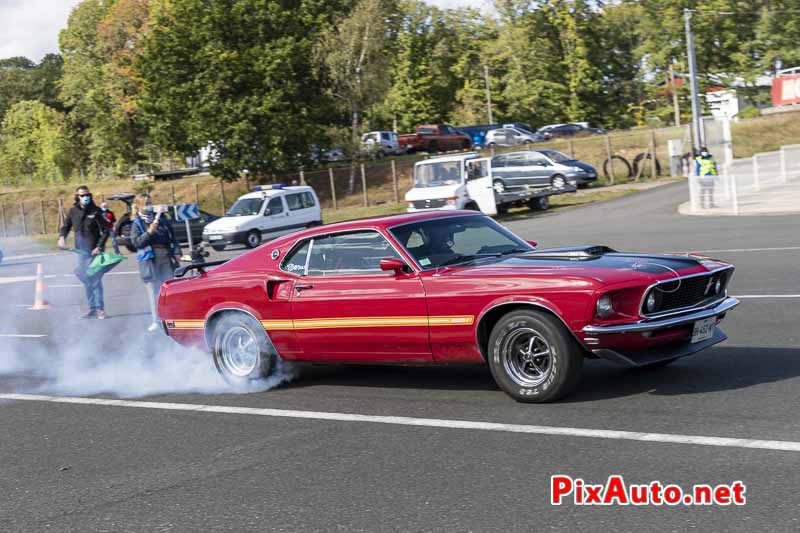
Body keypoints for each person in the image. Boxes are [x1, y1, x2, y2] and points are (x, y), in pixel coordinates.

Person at [130, 198, 182, 332]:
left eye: (150, 203)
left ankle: (172, 318)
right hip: (150, 260)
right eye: (146, 204)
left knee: (169, 289)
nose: (149, 206)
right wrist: (149, 232)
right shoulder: (137, 223)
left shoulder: (162, 219)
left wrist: (177, 251)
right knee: (154, 291)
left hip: (165, 256)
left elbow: (173, 237)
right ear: (139, 205)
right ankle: (156, 320)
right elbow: (136, 243)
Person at [58, 185, 109, 319]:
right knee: (87, 280)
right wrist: (62, 237)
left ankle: (100, 309)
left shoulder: (96, 211)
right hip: (81, 252)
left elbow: (106, 231)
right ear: (78, 197)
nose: (85, 197)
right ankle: (91, 308)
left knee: (96, 279)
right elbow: (66, 227)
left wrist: (99, 246)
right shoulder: (73, 211)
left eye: (87, 195)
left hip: (94, 251)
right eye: (82, 195)